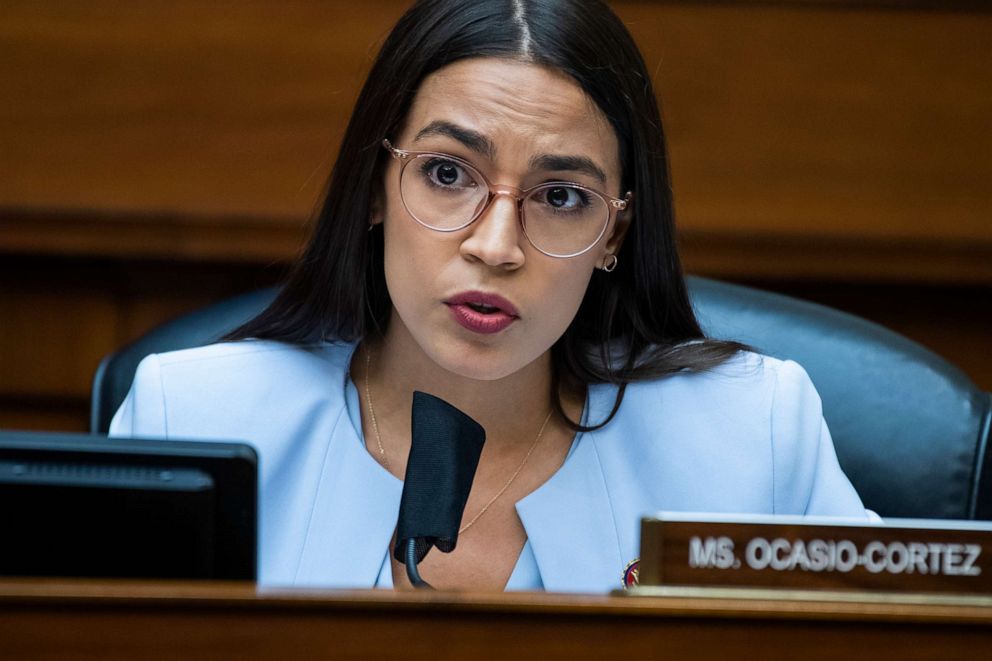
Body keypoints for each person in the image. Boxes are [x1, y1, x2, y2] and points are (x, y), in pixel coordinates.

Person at [110, 0, 872, 592]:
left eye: (562, 195)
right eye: (447, 174)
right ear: (376, 186)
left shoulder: (754, 439)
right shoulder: (192, 419)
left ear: (615, 233)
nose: (496, 245)